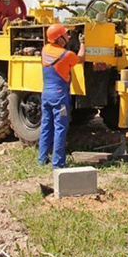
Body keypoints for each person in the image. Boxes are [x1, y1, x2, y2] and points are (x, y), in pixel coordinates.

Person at [38, 22, 85, 168]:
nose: (69, 36)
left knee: (46, 126)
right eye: (66, 34)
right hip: (59, 98)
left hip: (46, 95)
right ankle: (58, 163)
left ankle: (42, 159)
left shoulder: (45, 50)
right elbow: (81, 58)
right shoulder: (67, 55)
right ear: (59, 38)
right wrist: (83, 43)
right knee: (60, 128)